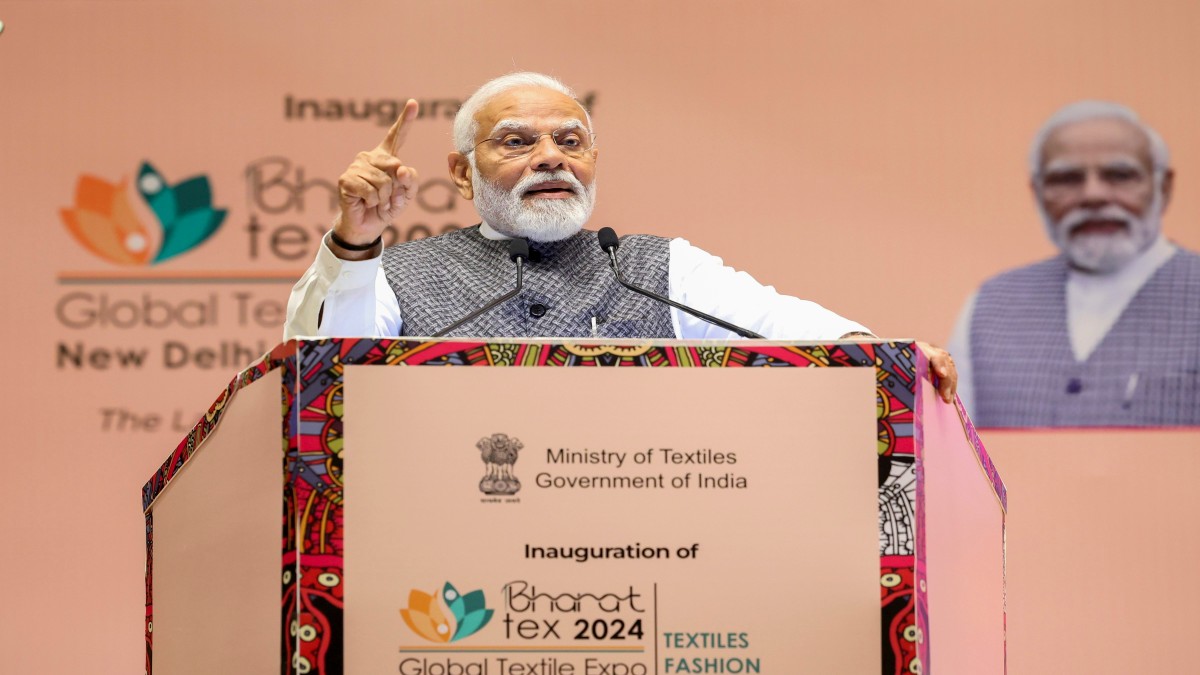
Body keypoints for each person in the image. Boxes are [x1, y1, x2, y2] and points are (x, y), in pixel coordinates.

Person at [285, 72, 956, 401]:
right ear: (462, 173)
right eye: (517, 141)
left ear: (593, 161)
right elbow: (324, 376)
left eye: (569, 141)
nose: (551, 156)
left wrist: (885, 355)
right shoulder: (399, 273)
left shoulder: (655, 266)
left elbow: (783, 325)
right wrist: (356, 240)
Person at [948, 101, 1199, 427]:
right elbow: (953, 450)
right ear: (1037, 194)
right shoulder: (989, 306)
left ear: (1163, 188)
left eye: (1120, 175)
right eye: (1066, 179)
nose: (1093, 195)